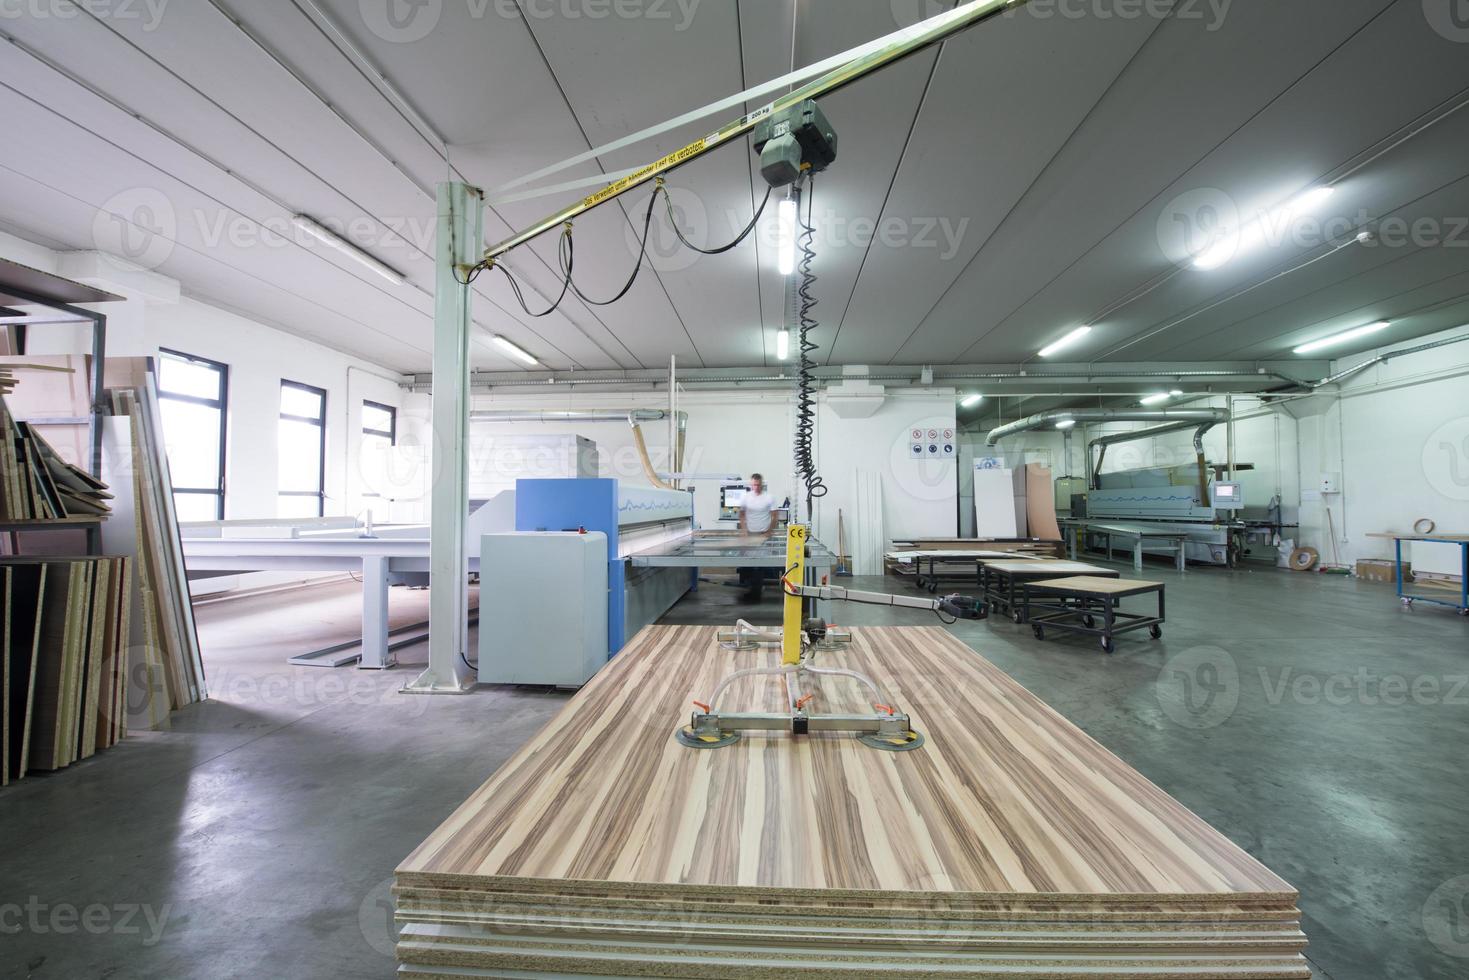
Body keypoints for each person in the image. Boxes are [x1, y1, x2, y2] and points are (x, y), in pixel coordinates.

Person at [737, 473, 777, 601]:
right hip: (750, 535)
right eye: (754, 485)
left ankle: (756, 593)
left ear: (762, 484)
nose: (756, 487)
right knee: (748, 564)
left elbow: (775, 516)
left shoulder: (769, 498)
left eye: (759, 485)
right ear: (751, 484)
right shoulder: (746, 497)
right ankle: (751, 589)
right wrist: (743, 530)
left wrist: (769, 531)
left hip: (762, 536)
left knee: (759, 565)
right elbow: (742, 515)